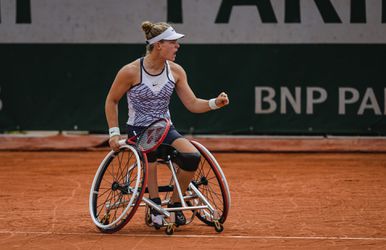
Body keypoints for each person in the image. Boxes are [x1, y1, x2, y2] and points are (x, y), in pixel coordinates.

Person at [105, 21, 229, 228]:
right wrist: (113, 133)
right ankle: (154, 205)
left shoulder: (177, 71)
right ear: (158, 45)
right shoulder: (130, 72)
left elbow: (192, 104)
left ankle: (175, 201)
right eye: (173, 42)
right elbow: (111, 100)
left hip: (165, 128)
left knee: (192, 157)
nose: (177, 46)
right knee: (150, 155)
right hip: (139, 129)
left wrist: (215, 103)